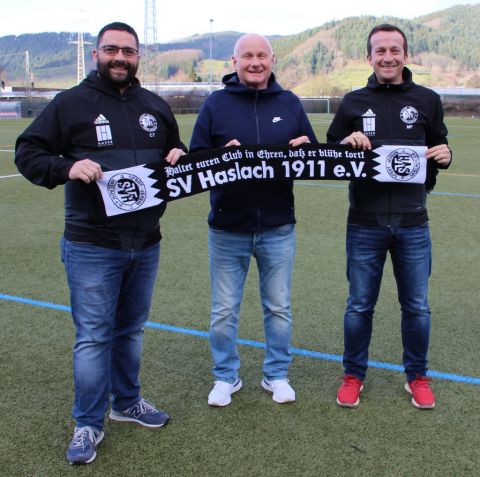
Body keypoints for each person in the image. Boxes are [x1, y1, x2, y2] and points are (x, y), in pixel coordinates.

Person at [15, 22, 186, 464]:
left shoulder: (154, 105)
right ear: (96, 54)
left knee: (130, 331)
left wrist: (178, 153)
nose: (120, 58)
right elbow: (28, 152)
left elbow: (174, 147)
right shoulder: (70, 103)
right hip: (93, 245)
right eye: (111, 49)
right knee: (94, 337)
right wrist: (67, 168)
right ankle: (88, 424)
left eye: (128, 51)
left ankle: (127, 403)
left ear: (137, 57)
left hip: (146, 241)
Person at [327, 24, 452, 409]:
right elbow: (331, 150)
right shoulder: (352, 102)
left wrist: (446, 155)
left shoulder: (428, 99)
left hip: (413, 223)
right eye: (379, 50)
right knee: (359, 305)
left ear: (405, 54)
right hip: (364, 223)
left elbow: (440, 146)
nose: (387, 56)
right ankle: (353, 375)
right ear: (369, 57)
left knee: (416, 306)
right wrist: (346, 143)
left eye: (394, 49)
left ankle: (416, 376)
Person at [190, 33, 317, 407]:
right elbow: (195, 161)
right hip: (228, 227)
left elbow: (311, 153)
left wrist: (307, 149)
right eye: (248, 56)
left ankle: (276, 374)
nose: (255, 62)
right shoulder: (215, 105)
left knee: (278, 307)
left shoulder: (290, 103)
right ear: (234, 62)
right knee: (223, 310)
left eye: (262, 55)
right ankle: (225, 377)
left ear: (273, 59)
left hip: (278, 226)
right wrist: (216, 155)